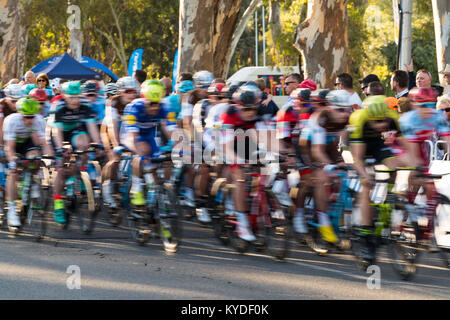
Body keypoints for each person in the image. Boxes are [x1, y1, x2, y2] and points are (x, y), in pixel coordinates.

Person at [52, 81, 103, 224]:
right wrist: (60, 149)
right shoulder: (59, 106)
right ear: (64, 96)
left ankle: (80, 176)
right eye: (71, 97)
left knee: (84, 144)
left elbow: (92, 126)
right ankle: (58, 205)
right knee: (62, 171)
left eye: (77, 97)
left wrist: (98, 145)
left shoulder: (85, 104)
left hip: (75, 131)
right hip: (59, 133)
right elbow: (56, 131)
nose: (75, 101)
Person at [3, 97, 53, 227]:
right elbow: (10, 147)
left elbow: (43, 143)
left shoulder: (39, 120)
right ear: (20, 114)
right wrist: (13, 163)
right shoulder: (11, 121)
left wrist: (52, 158)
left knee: (36, 156)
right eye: (26, 117)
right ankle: (12, 209)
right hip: (14, 144)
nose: (29, 120)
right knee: (13, 173)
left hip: (27, 142)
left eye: (32, 117)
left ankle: (31, 181)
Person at [121, 80, 170, 206]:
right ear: (144, 100)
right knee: (142, 153)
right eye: (151, 104)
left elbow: (171, 130)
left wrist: (179, 147)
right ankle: (136, 189)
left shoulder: (165, 106)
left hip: (148, 135)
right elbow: (133, 137)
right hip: (130, 134)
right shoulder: (134, 107)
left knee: (156, 165)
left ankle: (155, 200)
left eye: (157, 104)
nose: (155, 107)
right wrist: (140, 150)